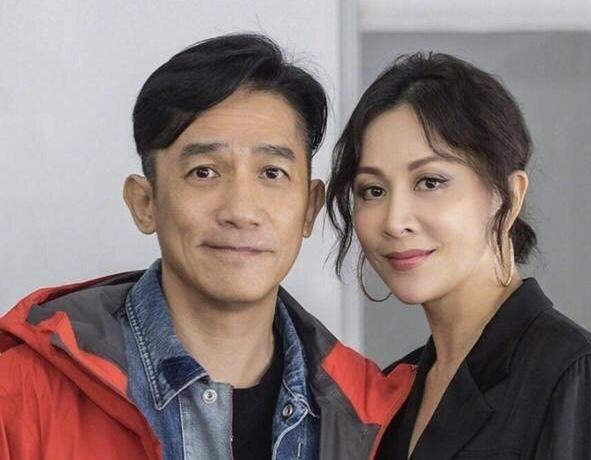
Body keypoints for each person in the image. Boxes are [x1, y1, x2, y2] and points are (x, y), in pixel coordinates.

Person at [0, 34, 416, 460]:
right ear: (145, 203)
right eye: (203, 172)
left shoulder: (369, 416)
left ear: (309, 209)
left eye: (272, 173)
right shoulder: (19, 395)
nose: (241, 211)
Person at [327, 52, 591, 459]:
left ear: (508, 195)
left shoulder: (570, 373)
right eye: (373, 190)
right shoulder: (400, 390)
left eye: (430, 182)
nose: (395, 221)